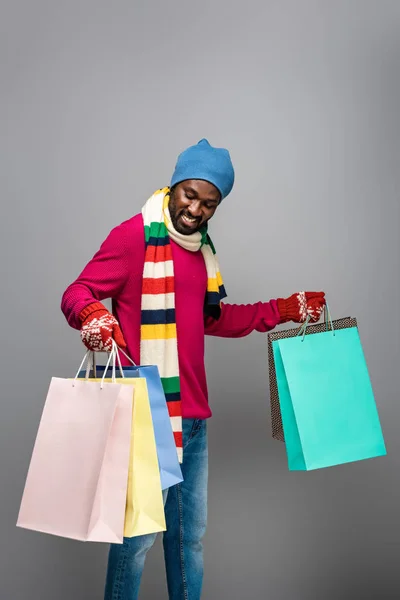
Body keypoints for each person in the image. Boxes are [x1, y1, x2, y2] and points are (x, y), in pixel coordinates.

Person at [61, 138, 325, 599]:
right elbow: (77, 290)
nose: (196, 209)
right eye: (191, 195)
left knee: (189, 543)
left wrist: (283, 309)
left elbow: (212, 320)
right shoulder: (134, 237)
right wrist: (93, 316)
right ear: (176, 184)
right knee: (135, 542)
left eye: (210, 202)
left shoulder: (202, 252)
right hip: (146, 415)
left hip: (194, 420)